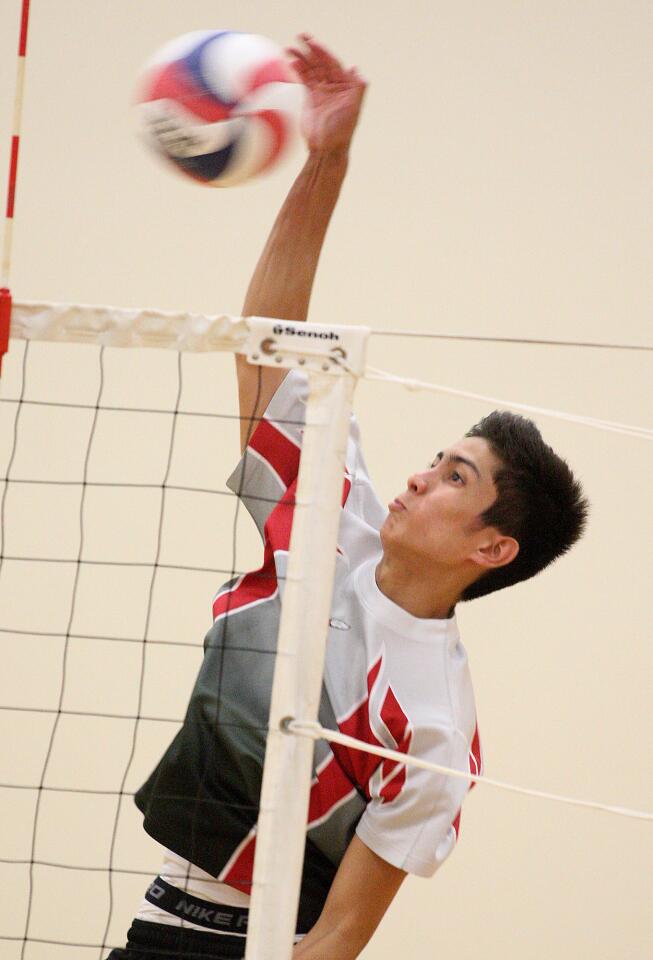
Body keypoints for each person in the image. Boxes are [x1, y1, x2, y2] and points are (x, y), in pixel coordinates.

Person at [107, 35, 588, 960]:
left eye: (456, 478)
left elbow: (334, 942)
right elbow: (267, 346)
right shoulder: (336, 520)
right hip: (162, 917)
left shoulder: (434, 730)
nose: (418, 475)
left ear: (491, 547)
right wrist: (325, 159)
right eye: (435, 457)